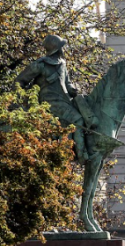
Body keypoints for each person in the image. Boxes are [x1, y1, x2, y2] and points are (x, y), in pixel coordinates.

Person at [14, 34, 94, 163]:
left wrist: (73, 89)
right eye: (62, 46)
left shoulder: (62, 63)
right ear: (57, 48)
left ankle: (70, 149)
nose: (63, 49)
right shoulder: (40, 64)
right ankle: (80, 154)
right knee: (77, 119)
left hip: (63, 100)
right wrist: (26, 100)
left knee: (83, 111)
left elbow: (67, 83)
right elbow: (19, 81)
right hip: (48, 103)